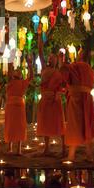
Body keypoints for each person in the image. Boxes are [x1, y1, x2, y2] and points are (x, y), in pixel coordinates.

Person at [60, 49, 94, 162]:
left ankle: (71, 156)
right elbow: (90, 84)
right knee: (87, 125)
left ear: (81, 56)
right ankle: (89, 155)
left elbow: (64, 75)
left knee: (74, 125)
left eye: (79, 52)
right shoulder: (90, 70)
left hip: (76, 99)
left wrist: (61, 61)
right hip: (87, 99)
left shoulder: (75, 66)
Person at [36, 26, 66, 156]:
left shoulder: (58, 70)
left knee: (59, 123)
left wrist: (61, 59)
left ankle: (64, 148)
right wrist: (39, 35)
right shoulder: (44, 68)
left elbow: (62, 82)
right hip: (45, 99)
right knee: (45, 123)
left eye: (54, 57)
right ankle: (47, 148)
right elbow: (40, 51)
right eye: (51, 57)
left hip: (55, 99)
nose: (51, 58)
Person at [5, 56, 33, 155]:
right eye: (16, 71)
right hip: (11, 106)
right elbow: (9, 70)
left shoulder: (23, 83)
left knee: (20, 126)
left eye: (19, 72)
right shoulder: (10, 81)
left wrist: (30, 66)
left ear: (21, 76)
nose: (18, 72)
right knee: (10, 126)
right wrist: (10, 59)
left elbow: (30, 77)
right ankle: (10, 147)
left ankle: (19, 149)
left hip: (18, 106)